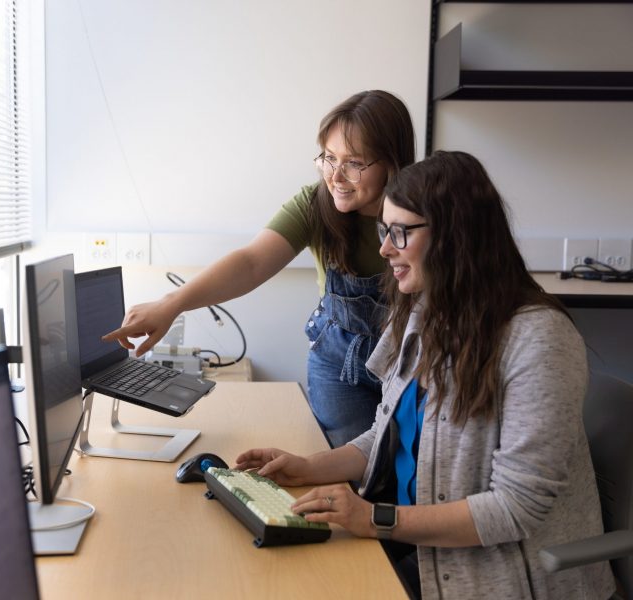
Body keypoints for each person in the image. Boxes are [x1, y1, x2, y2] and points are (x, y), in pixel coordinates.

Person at [234, 151, 615, 599]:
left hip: (497, 579)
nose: (384, 249)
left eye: (400, 232)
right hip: (426, 552)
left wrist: (376, 519)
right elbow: (386, 432)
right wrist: (307, 467)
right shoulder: (422, 312)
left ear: (456, 236)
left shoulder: (539, 339)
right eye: (384, 230)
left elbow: (515, 509)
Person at [103, 90, 416, 448]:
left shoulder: (424, 215)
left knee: (409, 476)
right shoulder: (316, 205)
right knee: (357, 478)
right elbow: (251, 263)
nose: (336, 177)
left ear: (391, 163)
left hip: (411, 363)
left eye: (354, 163)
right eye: (329, 159)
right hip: (339, 370)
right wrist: (171, 303)